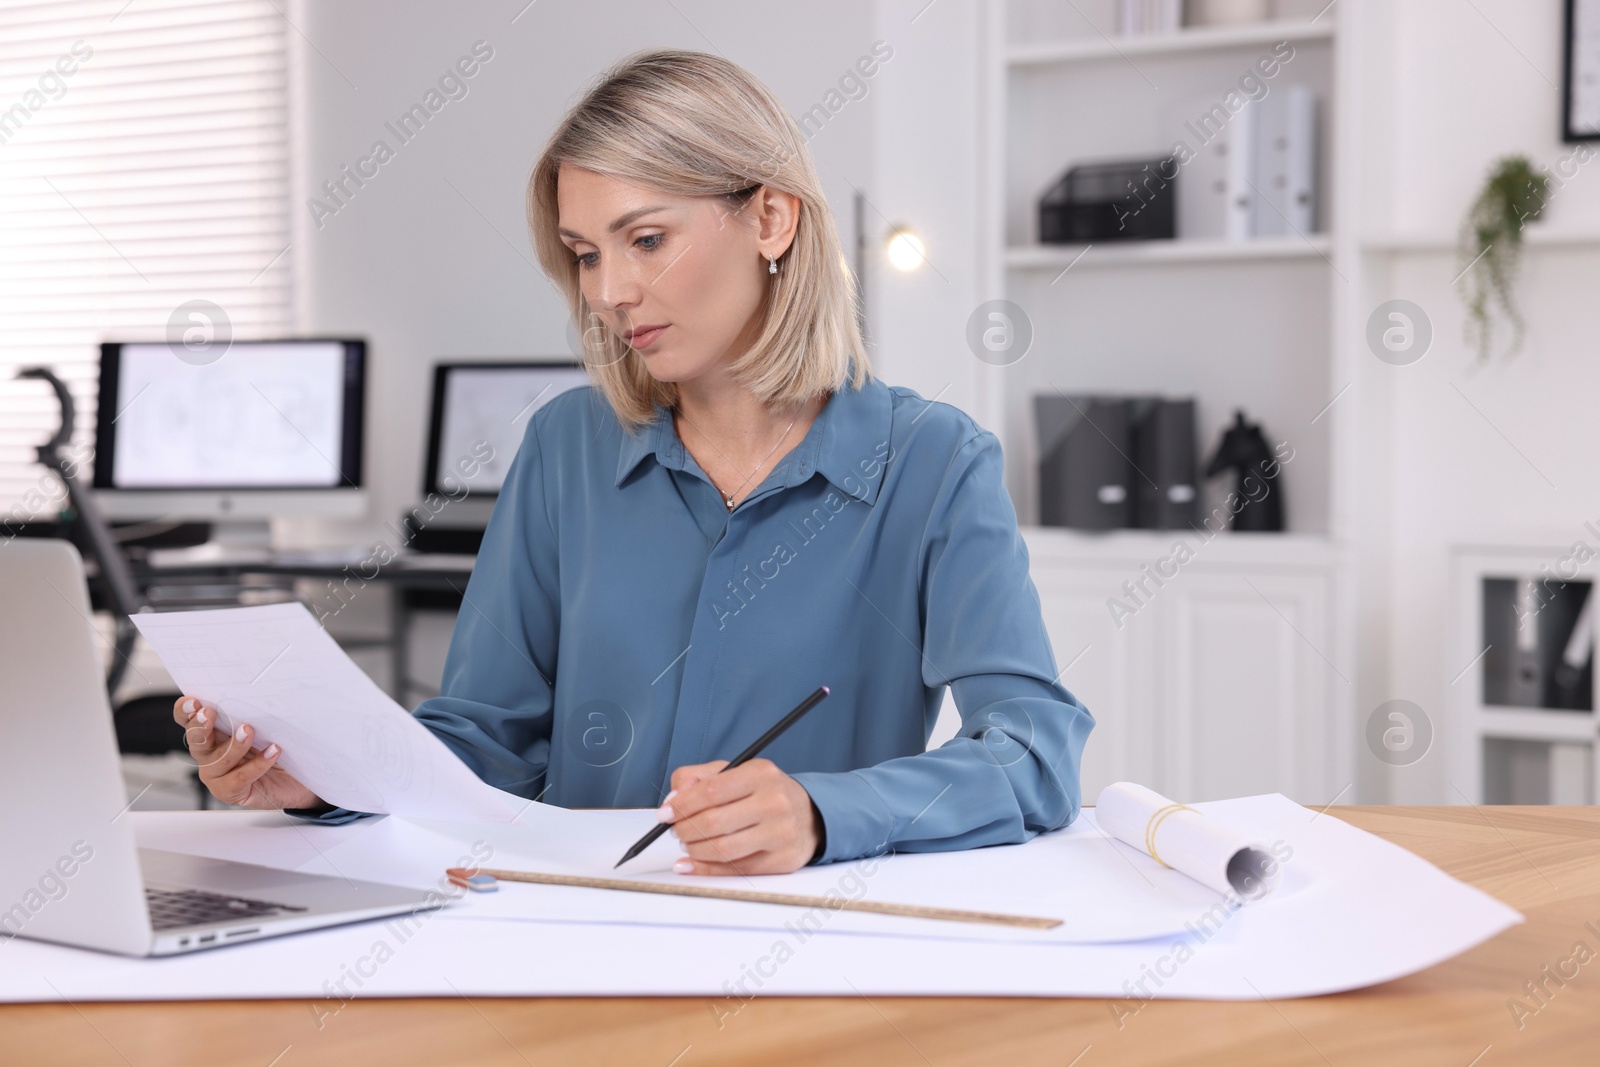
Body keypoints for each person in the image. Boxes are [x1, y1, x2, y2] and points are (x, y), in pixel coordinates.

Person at [174, 48, 1093, 876]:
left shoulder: (933, 462)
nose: (610, 293)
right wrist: (320, 780)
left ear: (771, 217)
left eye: (646, 239)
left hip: (803, 948)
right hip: (570, 936)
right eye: (585, 254)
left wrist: (824, 812)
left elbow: (1035, 752)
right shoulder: (564, 448)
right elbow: (483, 739)